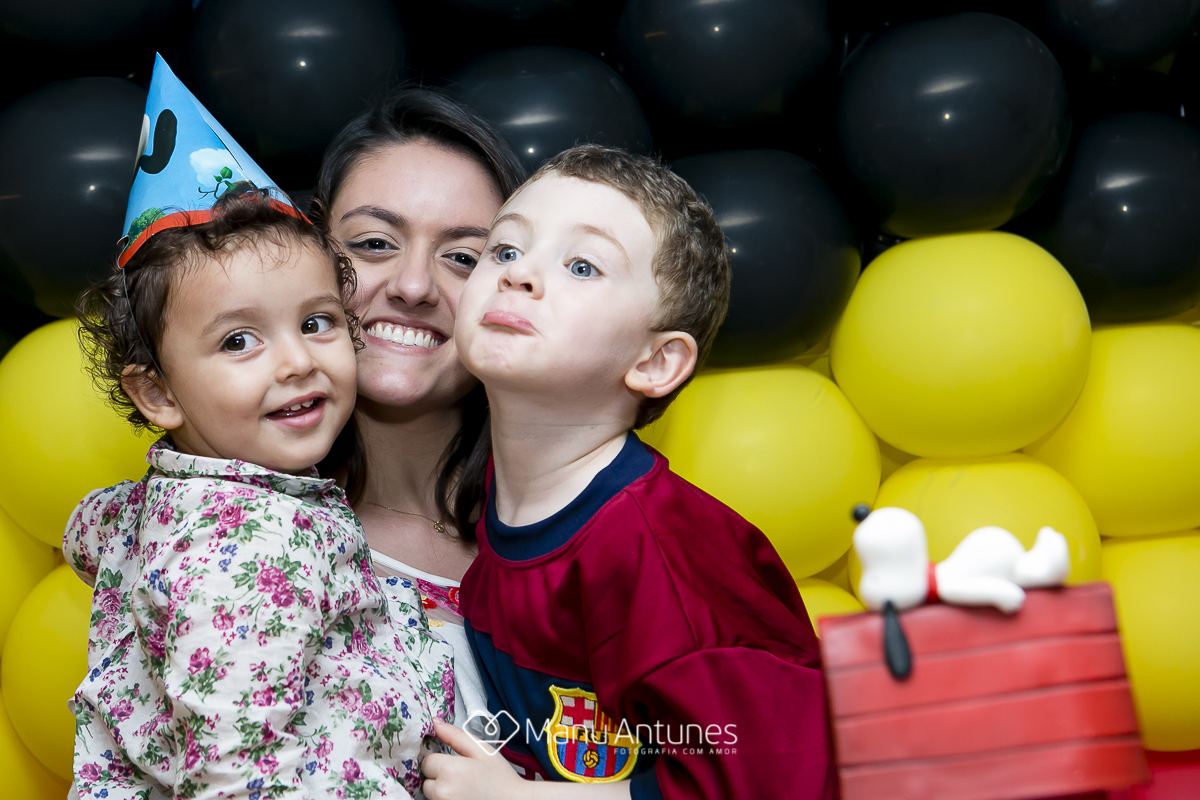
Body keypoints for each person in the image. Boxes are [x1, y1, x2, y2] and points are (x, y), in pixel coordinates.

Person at [421, 145, 836, 800]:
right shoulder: (504, 489)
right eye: (502, 250)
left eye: (582, 265)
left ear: (655, 363)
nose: (519, 275)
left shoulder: (657, 550)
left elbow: (755, 779)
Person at [67, 192, 453, 799]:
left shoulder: (154, 505)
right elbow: (238, 774)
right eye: (239, 341)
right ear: (159, 394)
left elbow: (86, 534)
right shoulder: (258, 546)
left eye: (316, 323)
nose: (298, 361)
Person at [311, 86, 524, 727]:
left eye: (464, 258)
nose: (412, 287)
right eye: (375, 243)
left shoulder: (593, 530)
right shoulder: (219, 539)